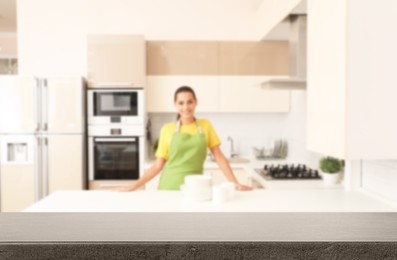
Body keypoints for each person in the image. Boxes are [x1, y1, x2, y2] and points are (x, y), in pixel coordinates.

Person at [115, 86, 253, 191]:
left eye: (189, 102)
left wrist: (235, 183)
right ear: (175, 105)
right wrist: (134, 185)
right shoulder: (167, 129)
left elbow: (219, 157)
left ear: (196, 103)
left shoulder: (206, 125)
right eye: (181, 103)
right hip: (169, 187)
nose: (186, 107)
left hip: (196, 188)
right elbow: (158, 165)